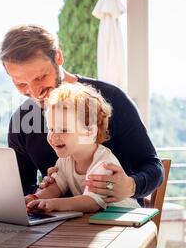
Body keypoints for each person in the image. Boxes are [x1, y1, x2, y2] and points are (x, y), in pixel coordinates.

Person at [1, 24, 163, 248]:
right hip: (52, 244)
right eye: (20, 84)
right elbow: (23, 189)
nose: (35, 92)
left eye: (40, 77)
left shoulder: (108, 100)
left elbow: (153, 167)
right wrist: (41, 192)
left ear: (58, 57)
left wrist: (130, 186)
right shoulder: (22, 121)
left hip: (118, 239)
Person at [26, 82, 140, 213]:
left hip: (127, 222)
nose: (53, 136)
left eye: (63, 130)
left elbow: (91, 202)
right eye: (51, 129)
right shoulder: (65, 161)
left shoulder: (104, 164)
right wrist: (33, 198)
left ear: (89, 132)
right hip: (98, 223)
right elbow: (55, 187)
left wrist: (53, 204)